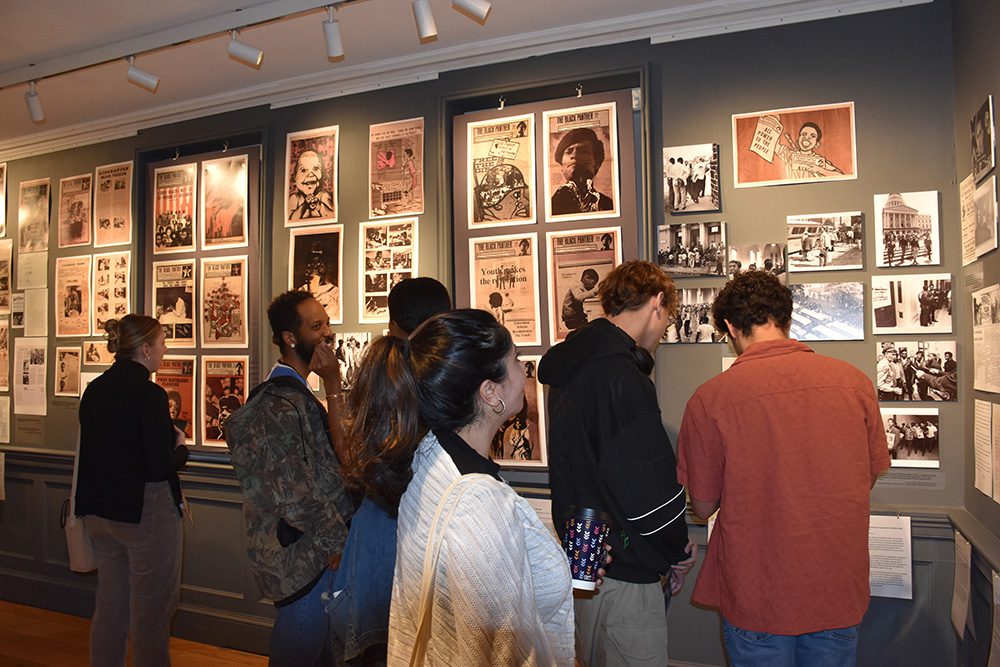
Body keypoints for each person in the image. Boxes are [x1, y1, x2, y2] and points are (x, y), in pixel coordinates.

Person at [344, 309, 583, 664]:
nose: (523, 371)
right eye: (516, 361)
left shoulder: (429, 456)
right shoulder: (477, 502)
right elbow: (502, 652)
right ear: (490, 392)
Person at [677, 270, 890, 667]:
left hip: (758, 584)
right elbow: (869, 474)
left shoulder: (710, 399)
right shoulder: (854, 383)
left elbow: (703, 506)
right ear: (787, 319)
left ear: (729, 327)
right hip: (835, 582)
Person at [539, 260, 696, 666]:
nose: (663, 331)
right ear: (658, 302)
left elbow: (581, 472)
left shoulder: (570, 369)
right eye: (668, 318)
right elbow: (645, 486)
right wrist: (675, 548)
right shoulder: (621, 376)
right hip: (627, 570)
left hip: (585, 566)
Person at [225, 291, 355, 666]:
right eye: (317, 326)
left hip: (320, 553)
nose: (328, 333)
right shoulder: (275, 404)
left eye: (328, 322)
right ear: (290, 338)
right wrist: (337, 542)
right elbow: (292, 493)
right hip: (305, 560)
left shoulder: (299, 396)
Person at [76, 314, 190, 667]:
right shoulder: (150, 394)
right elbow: (159, 464)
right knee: (151, 612)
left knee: (110, 605)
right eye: (161, 343)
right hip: (145, 512)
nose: (164, 349)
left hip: (100, 512)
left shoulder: (94, 390)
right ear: (144, 349)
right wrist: (182, 448)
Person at [550, 127, 613, 215]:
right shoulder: (553, 204)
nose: (575, 155)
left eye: (584, 152)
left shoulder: (607, 205)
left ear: (597, 163)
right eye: (569, 151)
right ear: (562, 166)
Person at [774, 120, 843, 179]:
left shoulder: (819, 160)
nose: (807, 137)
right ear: (799, 139)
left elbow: (840, 175)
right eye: (804, 134)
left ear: (817, 144)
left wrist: (820, 170)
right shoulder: (789, 154)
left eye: (812, 136)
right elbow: (774, 145)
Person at [288, 149, 335, 222]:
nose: (310, 175)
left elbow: (332, 216)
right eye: (303, 170)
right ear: (294, 177)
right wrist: (304, 206)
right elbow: (291, 220)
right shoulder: (294, 198)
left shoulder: (323, 196)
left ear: (323, 175)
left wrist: (318, 205)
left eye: (316, 169)